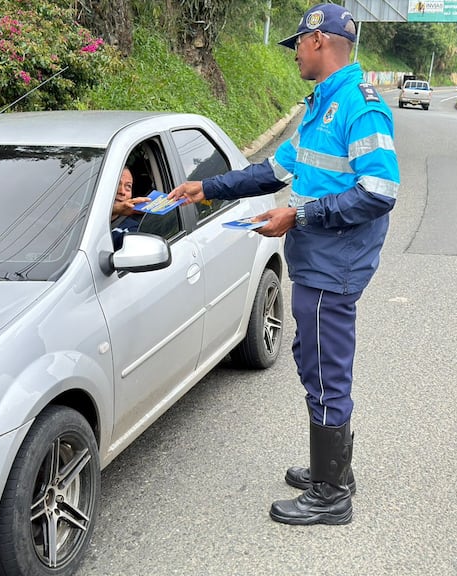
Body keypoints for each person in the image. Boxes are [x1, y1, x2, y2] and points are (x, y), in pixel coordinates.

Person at [169, 3, 400, 526]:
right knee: (314, 360)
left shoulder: (360, 108)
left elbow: (380, 191)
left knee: (324, 372)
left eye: (298, 42)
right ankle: (333, 469)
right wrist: (207, 188)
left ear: (319, 41)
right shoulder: (323, 106)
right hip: (318, 259)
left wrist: (297, 217)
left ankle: (331, 494)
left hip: (333, 265)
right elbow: (272, 171)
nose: (295, 51)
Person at [111, 166, 150, 249]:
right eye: (117, 184)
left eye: (128, 187)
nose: (122, 192)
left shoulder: (129, 231)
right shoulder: (80, 216)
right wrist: (114, 210)